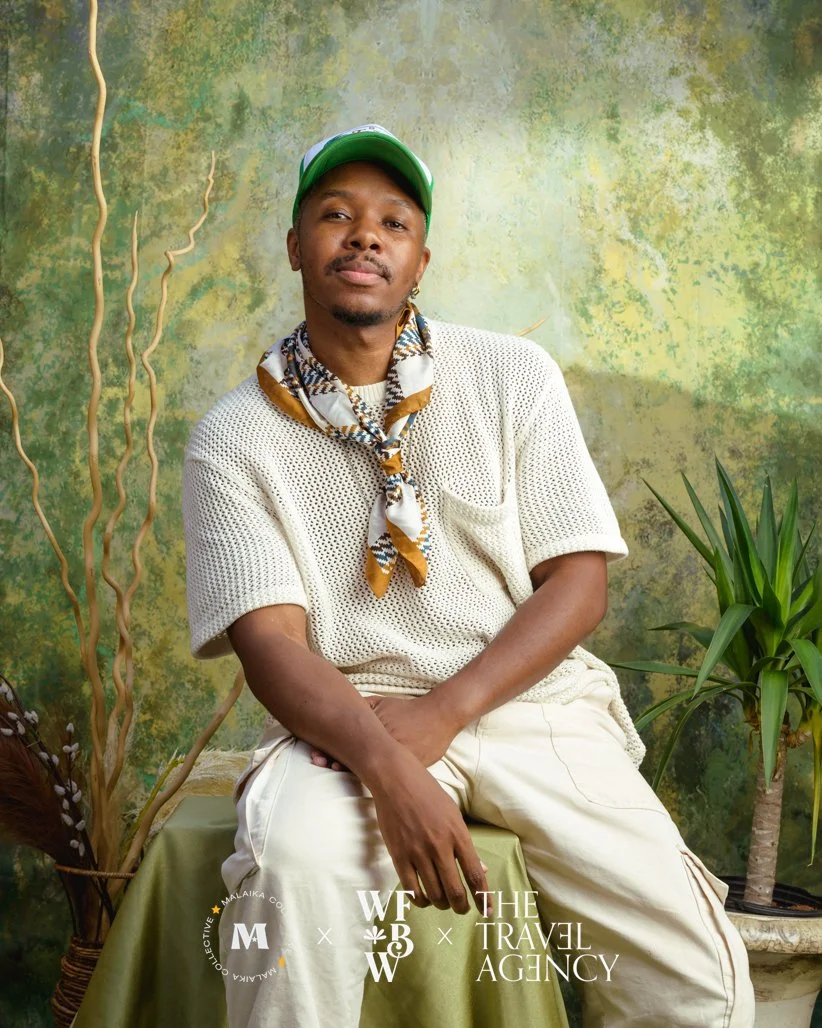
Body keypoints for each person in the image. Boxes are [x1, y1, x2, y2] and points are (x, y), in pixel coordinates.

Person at [182, 123, 756, 1027]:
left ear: (420, 261)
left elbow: (579, 584)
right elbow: (270, 645)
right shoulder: (233, 437)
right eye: (335, 216)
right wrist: (386, 761)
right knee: (294, 871)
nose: (364, 236)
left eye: (393, 222)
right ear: (295, 247)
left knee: (700, 979)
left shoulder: (511, 375)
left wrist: (444, 713)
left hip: (530, 705)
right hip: (350, 719)